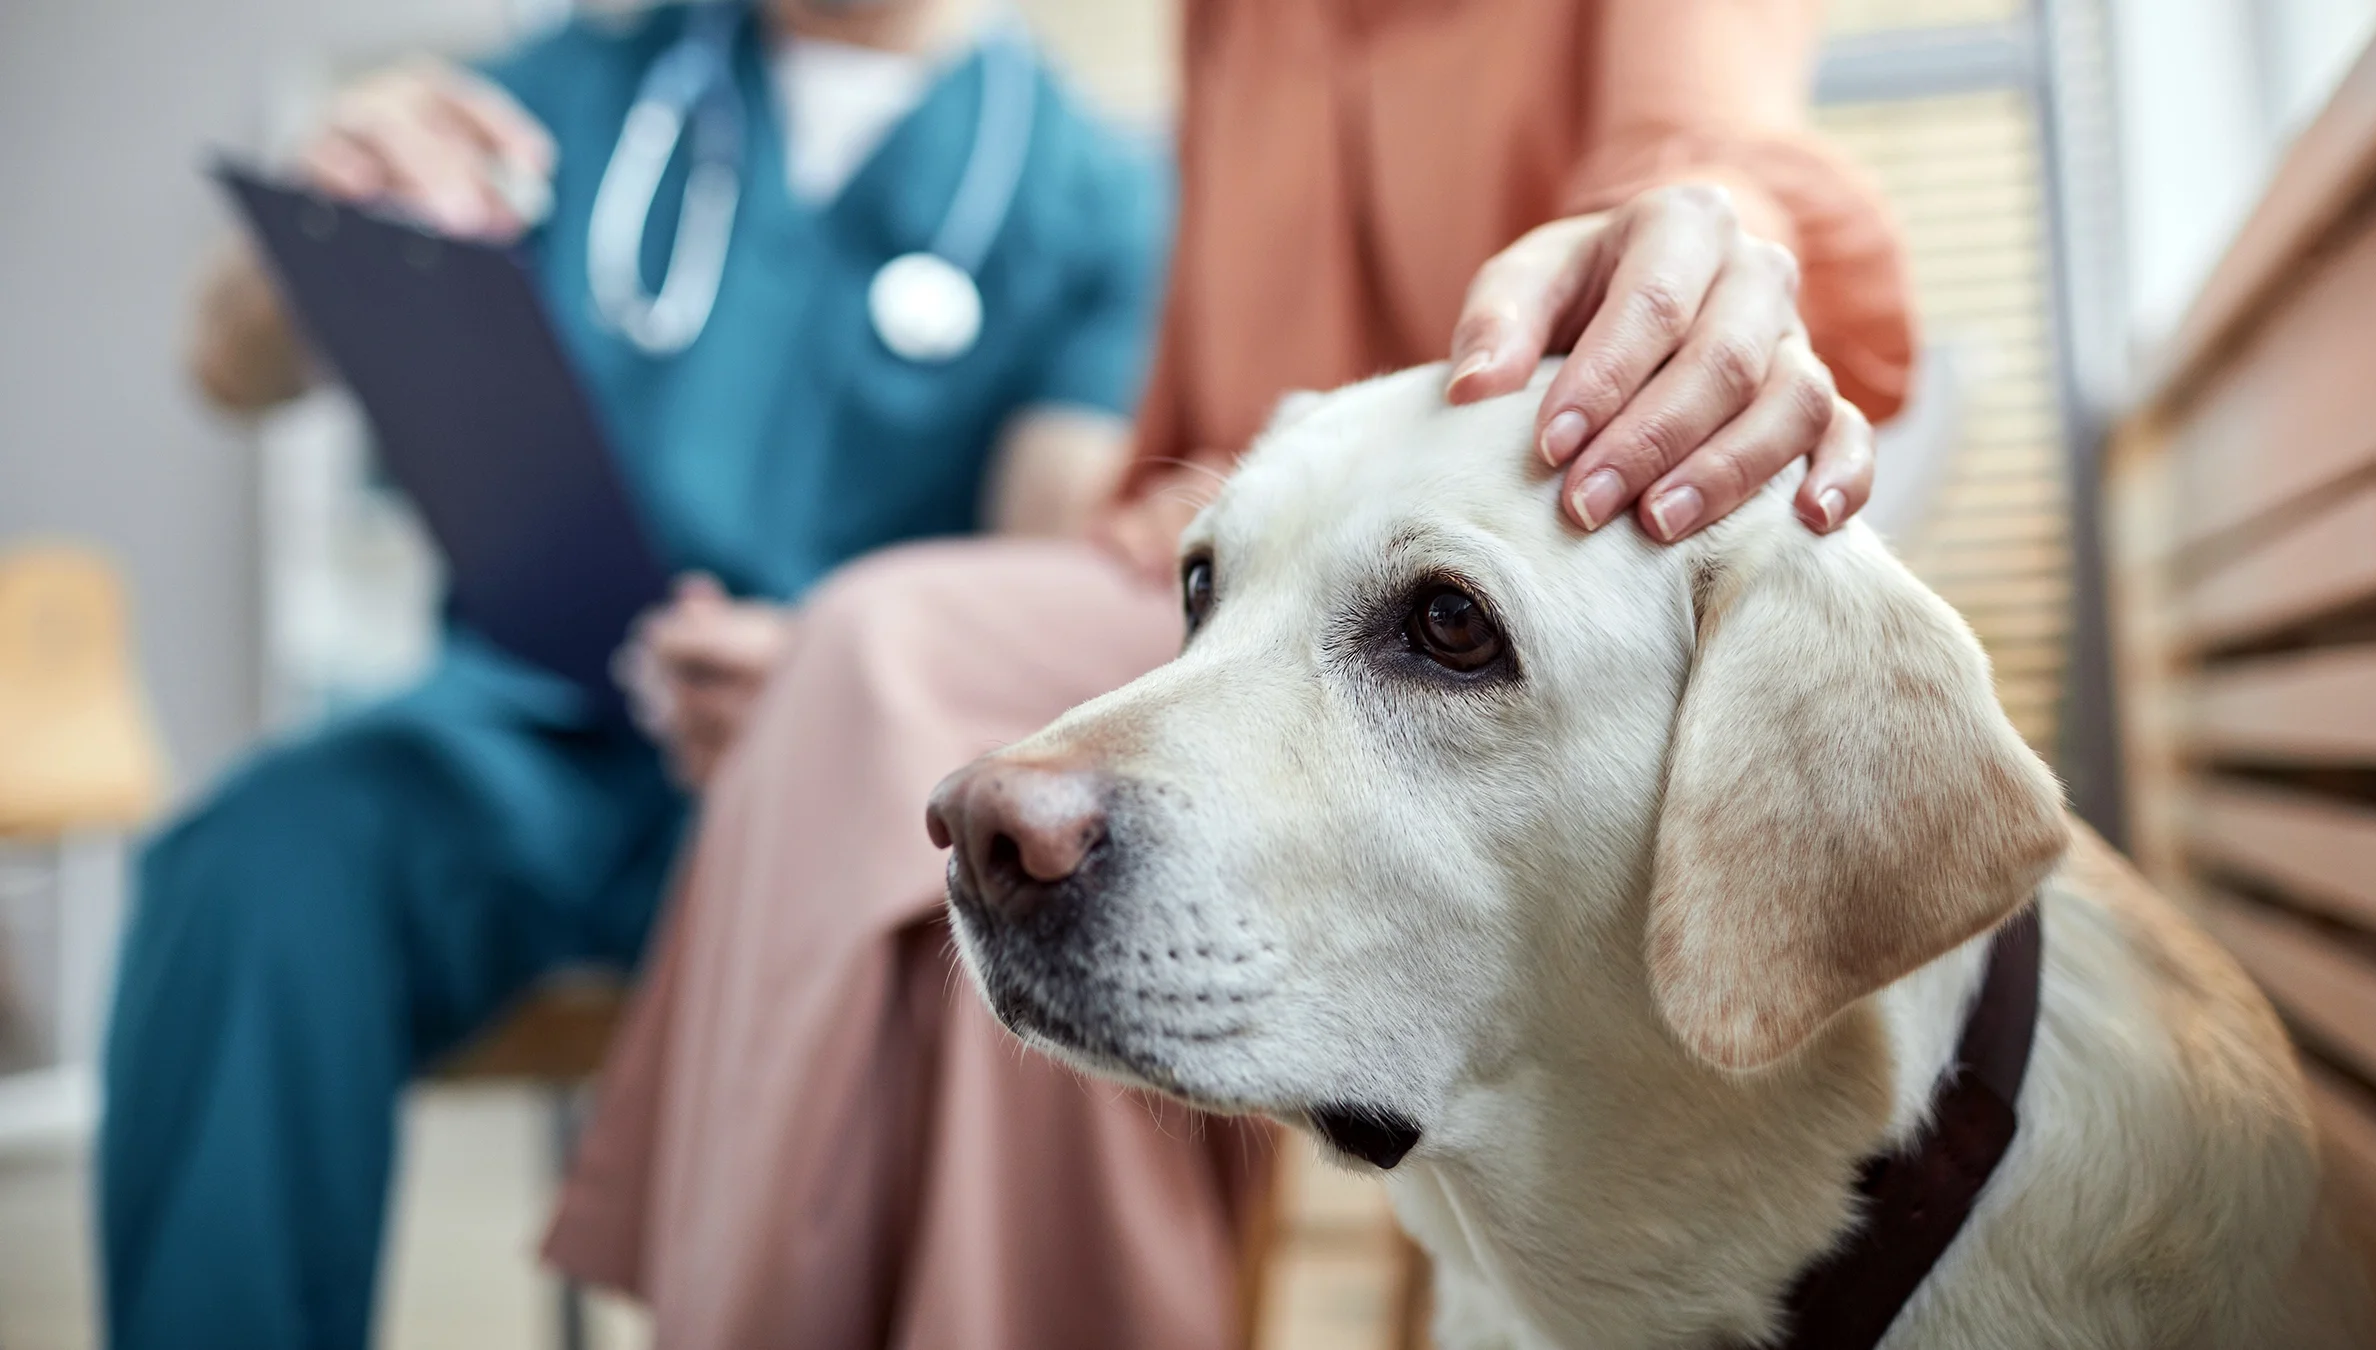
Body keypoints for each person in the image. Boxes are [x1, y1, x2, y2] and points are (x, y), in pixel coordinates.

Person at [539, 0, 1913, 1346]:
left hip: (1518, 629)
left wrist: (1706, 237)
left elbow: (1705, 152)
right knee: (908, 723)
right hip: (1222, 593)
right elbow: (1180, 453)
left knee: (886, 664)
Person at [104, 2, 1168, 1346]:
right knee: (251, 862)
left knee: (953, 969)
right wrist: (327, 206)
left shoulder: (1098, 192)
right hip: (521, 747)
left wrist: (829, 672)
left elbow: (1037, 544)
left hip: (840, 787)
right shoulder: (580, 91)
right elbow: (227, 363)